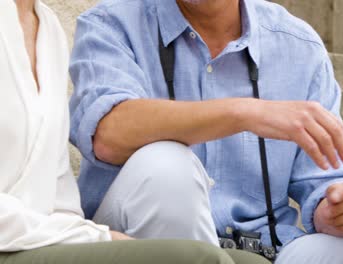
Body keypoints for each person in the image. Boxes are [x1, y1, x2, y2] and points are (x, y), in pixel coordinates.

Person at [69, 0, 343, 263]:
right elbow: (108, 133)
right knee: (166, 164)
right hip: (137, 241)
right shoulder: (111, 23)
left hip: (272, 247)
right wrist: (243, 112)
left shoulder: (300, 46)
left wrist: (342, 210)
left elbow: (326, 184)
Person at [0, 0, 268, 263]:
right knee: (197, 257)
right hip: (13, 241)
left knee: (248, 262)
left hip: (41, 238)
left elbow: (58, 195)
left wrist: (85, 234)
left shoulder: (47, 28)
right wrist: (97, 238)